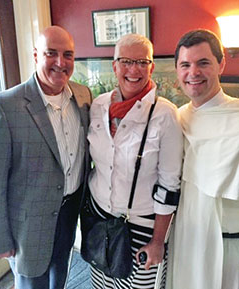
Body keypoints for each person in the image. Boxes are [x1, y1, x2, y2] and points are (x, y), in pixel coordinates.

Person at [0, 25, 92, 289]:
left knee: (60, 276)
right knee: (32, 283)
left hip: (69, 214)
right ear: (36, 55)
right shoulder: (5, 105)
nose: (60, 63)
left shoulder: (82, 95)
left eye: (68, 54)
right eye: (51, 53)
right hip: (27, 225)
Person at [86, 33, 183, 289]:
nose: (134, 69)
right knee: (102, 283)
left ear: (151, 66)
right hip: (99, 218)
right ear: (114, 65)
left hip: (141, 226)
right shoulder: (98, 106)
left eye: (142, 62)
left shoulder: (165, 115)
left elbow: (169, 184)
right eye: (126, 61)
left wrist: (158, 241)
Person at [167, 29, 239, 289]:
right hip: (188, 236)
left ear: (221, 64)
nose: (193, 73)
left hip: (232, 244)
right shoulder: (175, 118)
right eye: (185, 65)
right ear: (177, 70)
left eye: (203, 63)